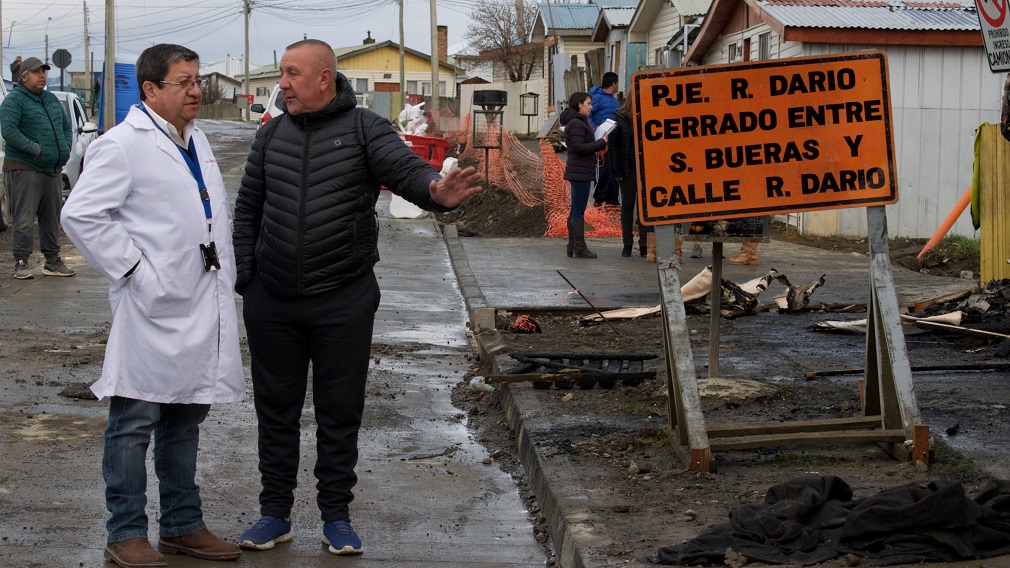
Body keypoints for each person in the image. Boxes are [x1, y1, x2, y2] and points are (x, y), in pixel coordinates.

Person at [232, 39, 481, 556]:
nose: (282, 84)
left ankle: (336, 517)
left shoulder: (367, 130)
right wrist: (247, 281)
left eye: (292, 74)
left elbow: (407, 172)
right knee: (275, 411)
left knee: (338, 410)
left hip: (342, 297)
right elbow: (247, 209)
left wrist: (436, 192)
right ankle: (274, 513)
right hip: (272, 301)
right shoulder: (270, 134)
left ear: (324, 78)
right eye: (281, 73)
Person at [60, 43, 244, 568]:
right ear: (150, 90)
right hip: (151, 306)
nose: (195, 91)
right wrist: (137, 270)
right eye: (184, 82)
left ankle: (183, 526)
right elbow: (83, 215)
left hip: (200, 301)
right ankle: (125, 532)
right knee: (134, 419)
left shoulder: (198, 138)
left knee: (186, 419)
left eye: (198, 80)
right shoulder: (123, 145)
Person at [0, 56, 75, 279]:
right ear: (24, 77)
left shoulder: (50, 99)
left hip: (52, 169)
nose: (42, 76)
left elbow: (66, 127)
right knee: (23, 219)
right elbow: (9, 132)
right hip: (25, 168)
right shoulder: (14, 101)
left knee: (52, 218)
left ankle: (52, 261)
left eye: (44, 72)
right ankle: (22, 262)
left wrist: (66, 146)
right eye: (36, 72)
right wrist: (37, 149)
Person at [561, 91, 607, 259]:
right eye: (588, 103)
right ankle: (579, 247)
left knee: (576, 209)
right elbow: (579, 147)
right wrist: (600, 143)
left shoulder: (576, 122)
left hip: (580, 170)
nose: (591, 107)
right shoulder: (576, 124)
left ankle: (573, 246)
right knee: (578, 210)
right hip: (579, 172)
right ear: (579, 104)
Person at [611, 97, 656, 262]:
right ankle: (627, 244)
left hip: (646, 169)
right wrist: (616, 170)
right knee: (628, 206)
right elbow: (613, 147)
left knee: (644, 209)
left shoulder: (650, 115)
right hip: (628, 168)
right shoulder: (620, 118)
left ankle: (645, 244)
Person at [589, 71, 621, 206]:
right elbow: (588, 115)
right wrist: (594, 131)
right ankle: (599, 198)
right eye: (617, 82)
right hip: (601, 139)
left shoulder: (615, 100)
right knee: (602, 169)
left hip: (614, 139)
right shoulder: (596, 98)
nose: (618, 85)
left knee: (614, 168)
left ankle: (612, 201)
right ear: (613, 83)